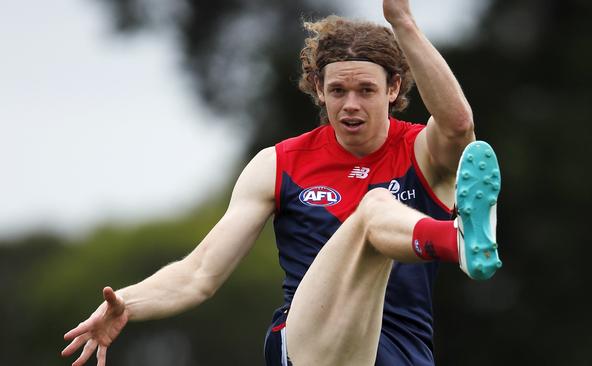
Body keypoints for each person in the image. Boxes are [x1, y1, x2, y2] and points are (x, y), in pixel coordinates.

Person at [61, 1, 502, 365]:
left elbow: (459, 126)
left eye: (366, 90)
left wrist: (402, 22)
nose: (350, 104)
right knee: (373, 209)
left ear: (393, 88)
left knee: (378, 209)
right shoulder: (280, 163)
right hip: (306, 345)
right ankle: (457, 240)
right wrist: (127, 302)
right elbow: (200, 273)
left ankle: (459, 238)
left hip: (399, 354)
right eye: (337, 91)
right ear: (318, 88)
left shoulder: (420, 152)